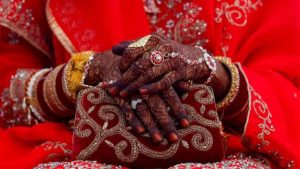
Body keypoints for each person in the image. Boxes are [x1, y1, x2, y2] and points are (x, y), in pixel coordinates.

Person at [0, 0, 299, 168]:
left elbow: (291, 90)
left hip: (232, 147)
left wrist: (214, 73)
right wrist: (85, 72)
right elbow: (6, 95)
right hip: (80, 145)